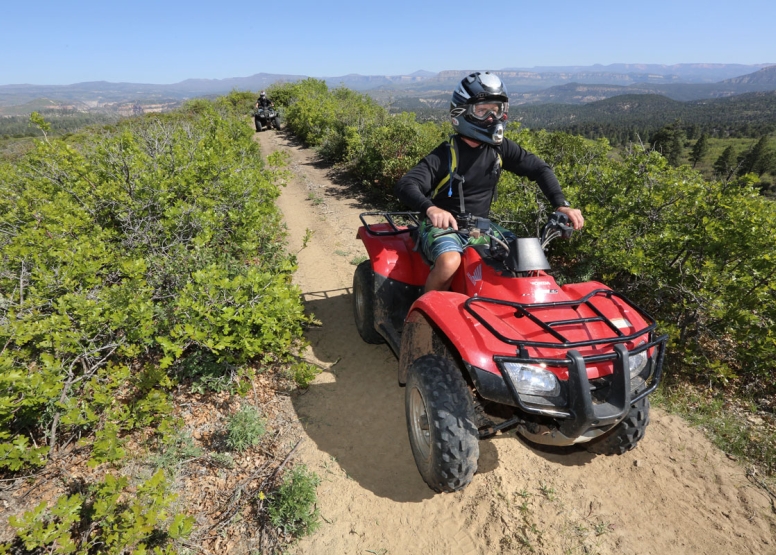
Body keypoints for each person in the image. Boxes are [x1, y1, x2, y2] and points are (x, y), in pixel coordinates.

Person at [394, 71, 584, 292]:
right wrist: (432, 209)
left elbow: (539, 169)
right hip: (441, 227)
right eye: (482, 111)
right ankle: (422, 318)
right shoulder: (445, 154)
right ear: (462, 112)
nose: (491, 118)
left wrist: (561, 204)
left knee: (526, 259)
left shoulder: (499, 148)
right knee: (449, 263)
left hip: (480, 226)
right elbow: (406, 184)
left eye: (496, 110)